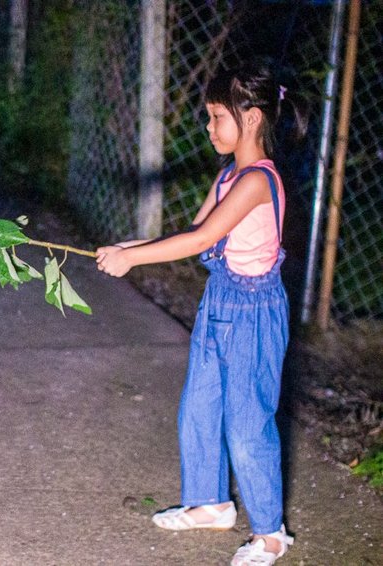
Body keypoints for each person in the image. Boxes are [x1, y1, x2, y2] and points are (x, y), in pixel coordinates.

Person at [96, 62, 308, 566]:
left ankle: (272, 533)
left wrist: (133, 259)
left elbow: (201, 239)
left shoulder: (258, 181)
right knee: (200, 406)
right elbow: (190, 233)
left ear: (251, 119)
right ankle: (211, 502)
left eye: (217, 117)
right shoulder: (230, 175)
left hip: (254, 313)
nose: (209, 127)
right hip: (220, 303)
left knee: (247, 422)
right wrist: (128, 246)